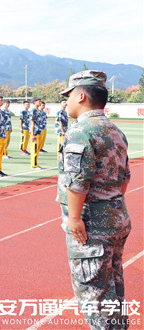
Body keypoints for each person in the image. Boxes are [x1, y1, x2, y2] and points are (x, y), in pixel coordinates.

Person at [56, 70, 131, 329]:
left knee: (94, 297)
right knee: (113, 289)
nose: (65, 101)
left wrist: (75, 219)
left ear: (81, 96)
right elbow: (124, 178)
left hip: (92, 228)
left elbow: (77, 182)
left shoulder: (81, 131)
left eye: (68, 96)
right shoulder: (115, 130)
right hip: (116, 218)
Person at [30, 97, 44, 170]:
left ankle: (36, 163)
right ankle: (34, 164)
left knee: (37, 149)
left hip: (39, 131)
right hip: (35, 132)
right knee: (34, 149)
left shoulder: (39, 111)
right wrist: (32, 134)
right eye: (39, 101)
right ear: (34, 102)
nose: (40, 102)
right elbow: (32, 122)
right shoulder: (33, 110)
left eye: (40, 101)